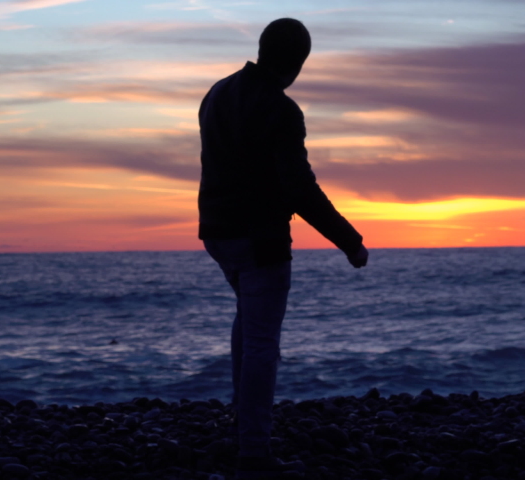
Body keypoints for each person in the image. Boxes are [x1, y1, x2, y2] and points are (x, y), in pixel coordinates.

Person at [198, 17, 368, 478]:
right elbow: (299, 188)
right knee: (261, 342)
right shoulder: (280, 109)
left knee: (247, 321)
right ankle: (253, 452)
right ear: (298, 62)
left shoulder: (217, 93)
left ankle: (243, 426)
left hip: (217, 232)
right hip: (260, 238)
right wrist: (349, 241)